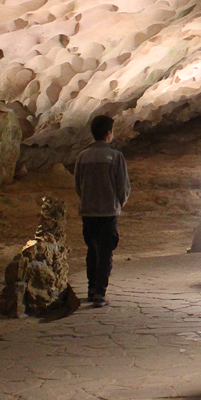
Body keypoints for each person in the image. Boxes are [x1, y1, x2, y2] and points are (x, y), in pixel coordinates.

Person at [74, 115, 130, 307]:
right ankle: (100, 293)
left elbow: (77, 185)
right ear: (108, 133)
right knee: (106, 252)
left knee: (92, 250)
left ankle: (91, 288)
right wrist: (120, 203)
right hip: (107, 212)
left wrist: (86, 200)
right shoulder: (115, 156)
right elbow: (122, 185)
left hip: (88, 211)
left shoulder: (82, 156)